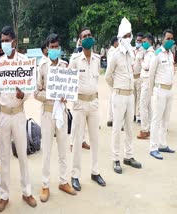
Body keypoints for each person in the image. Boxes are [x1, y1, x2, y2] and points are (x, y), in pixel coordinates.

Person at [0, 26, 37, 212]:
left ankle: (27, 192)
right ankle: (4, 195)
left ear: (14, 41)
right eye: (2, 40)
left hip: (19, 114)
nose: (4, 43)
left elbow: (30, 87)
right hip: (3, 114)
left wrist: (23, 95)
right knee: (4, 157)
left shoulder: (25, 62)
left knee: (22, 155)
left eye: (7, 40)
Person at [34, 33, 77, 202]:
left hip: (62, 112)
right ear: (46, 49)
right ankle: (45, 185)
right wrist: (51, 94)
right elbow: (36, 93)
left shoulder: (65, 66)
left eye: (56, 47)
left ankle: (63, 181)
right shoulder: (41, 66)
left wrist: (66, 95)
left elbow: (70, 88)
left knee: (63, 149)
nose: (54, 50)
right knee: (46, 150)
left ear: (59, 48)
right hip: (47, 112)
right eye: (51, 47)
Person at [69, 27, 106, 191]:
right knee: (77, 140)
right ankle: (75, 175)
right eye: (85, 36)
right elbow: (68, 82)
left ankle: (95, 171)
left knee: (95, 139)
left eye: (90, 35)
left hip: (93, 104)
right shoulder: (75, 60)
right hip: (79, 105)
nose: (88, 38)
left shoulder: (97, 59)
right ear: (80, 40)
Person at [105, 17, 142, 174]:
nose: (129, 38)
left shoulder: (131, 53)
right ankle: (115, 159)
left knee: (129, 127)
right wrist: (117, 88)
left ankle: (129, 156)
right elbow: (108, 76)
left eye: (130, 35)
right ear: (120, 38)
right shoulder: (115, 55)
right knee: (117, 128)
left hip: (130, 95)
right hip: (119, 95)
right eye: (126, 36)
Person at [149, 29, 176, 160]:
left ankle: (162, 144)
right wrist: (151, 91)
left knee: (166, 118)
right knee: (157, 119)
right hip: (160, 90)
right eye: (168, 38)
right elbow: (151, 74)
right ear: (163, 39)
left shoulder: (171, 54)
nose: (170, 41)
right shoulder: (157, 54)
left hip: (169, 90)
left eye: (172, 39)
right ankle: (153, 147)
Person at [137, 33, 155, 139]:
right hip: (145, 80)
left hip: (147, 81)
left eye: (145, 42)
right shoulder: (147, 52)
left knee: (143, 105)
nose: (143, 43)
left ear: (150, 42)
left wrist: (141, 61)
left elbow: (147, 67)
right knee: (148, 106)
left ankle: (145, 129)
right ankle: (151, 127)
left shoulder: (151, 53)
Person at [106, 36, 119, 127]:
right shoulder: (112, 52)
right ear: (115, 43)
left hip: (113, 78)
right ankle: (113, 118)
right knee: (114, 99)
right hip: (113, 78)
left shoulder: (112, 51)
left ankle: (111, 118)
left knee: (112, 98)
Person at [133, 32, 144, 124]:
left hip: (140, 77)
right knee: (132, 97)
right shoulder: (132, 50)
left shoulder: (143, 51)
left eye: (140, 41)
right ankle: (132, 114)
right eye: (137, 40)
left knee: (140, 97)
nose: (138, 42)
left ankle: (139, 116)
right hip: (131, 77)